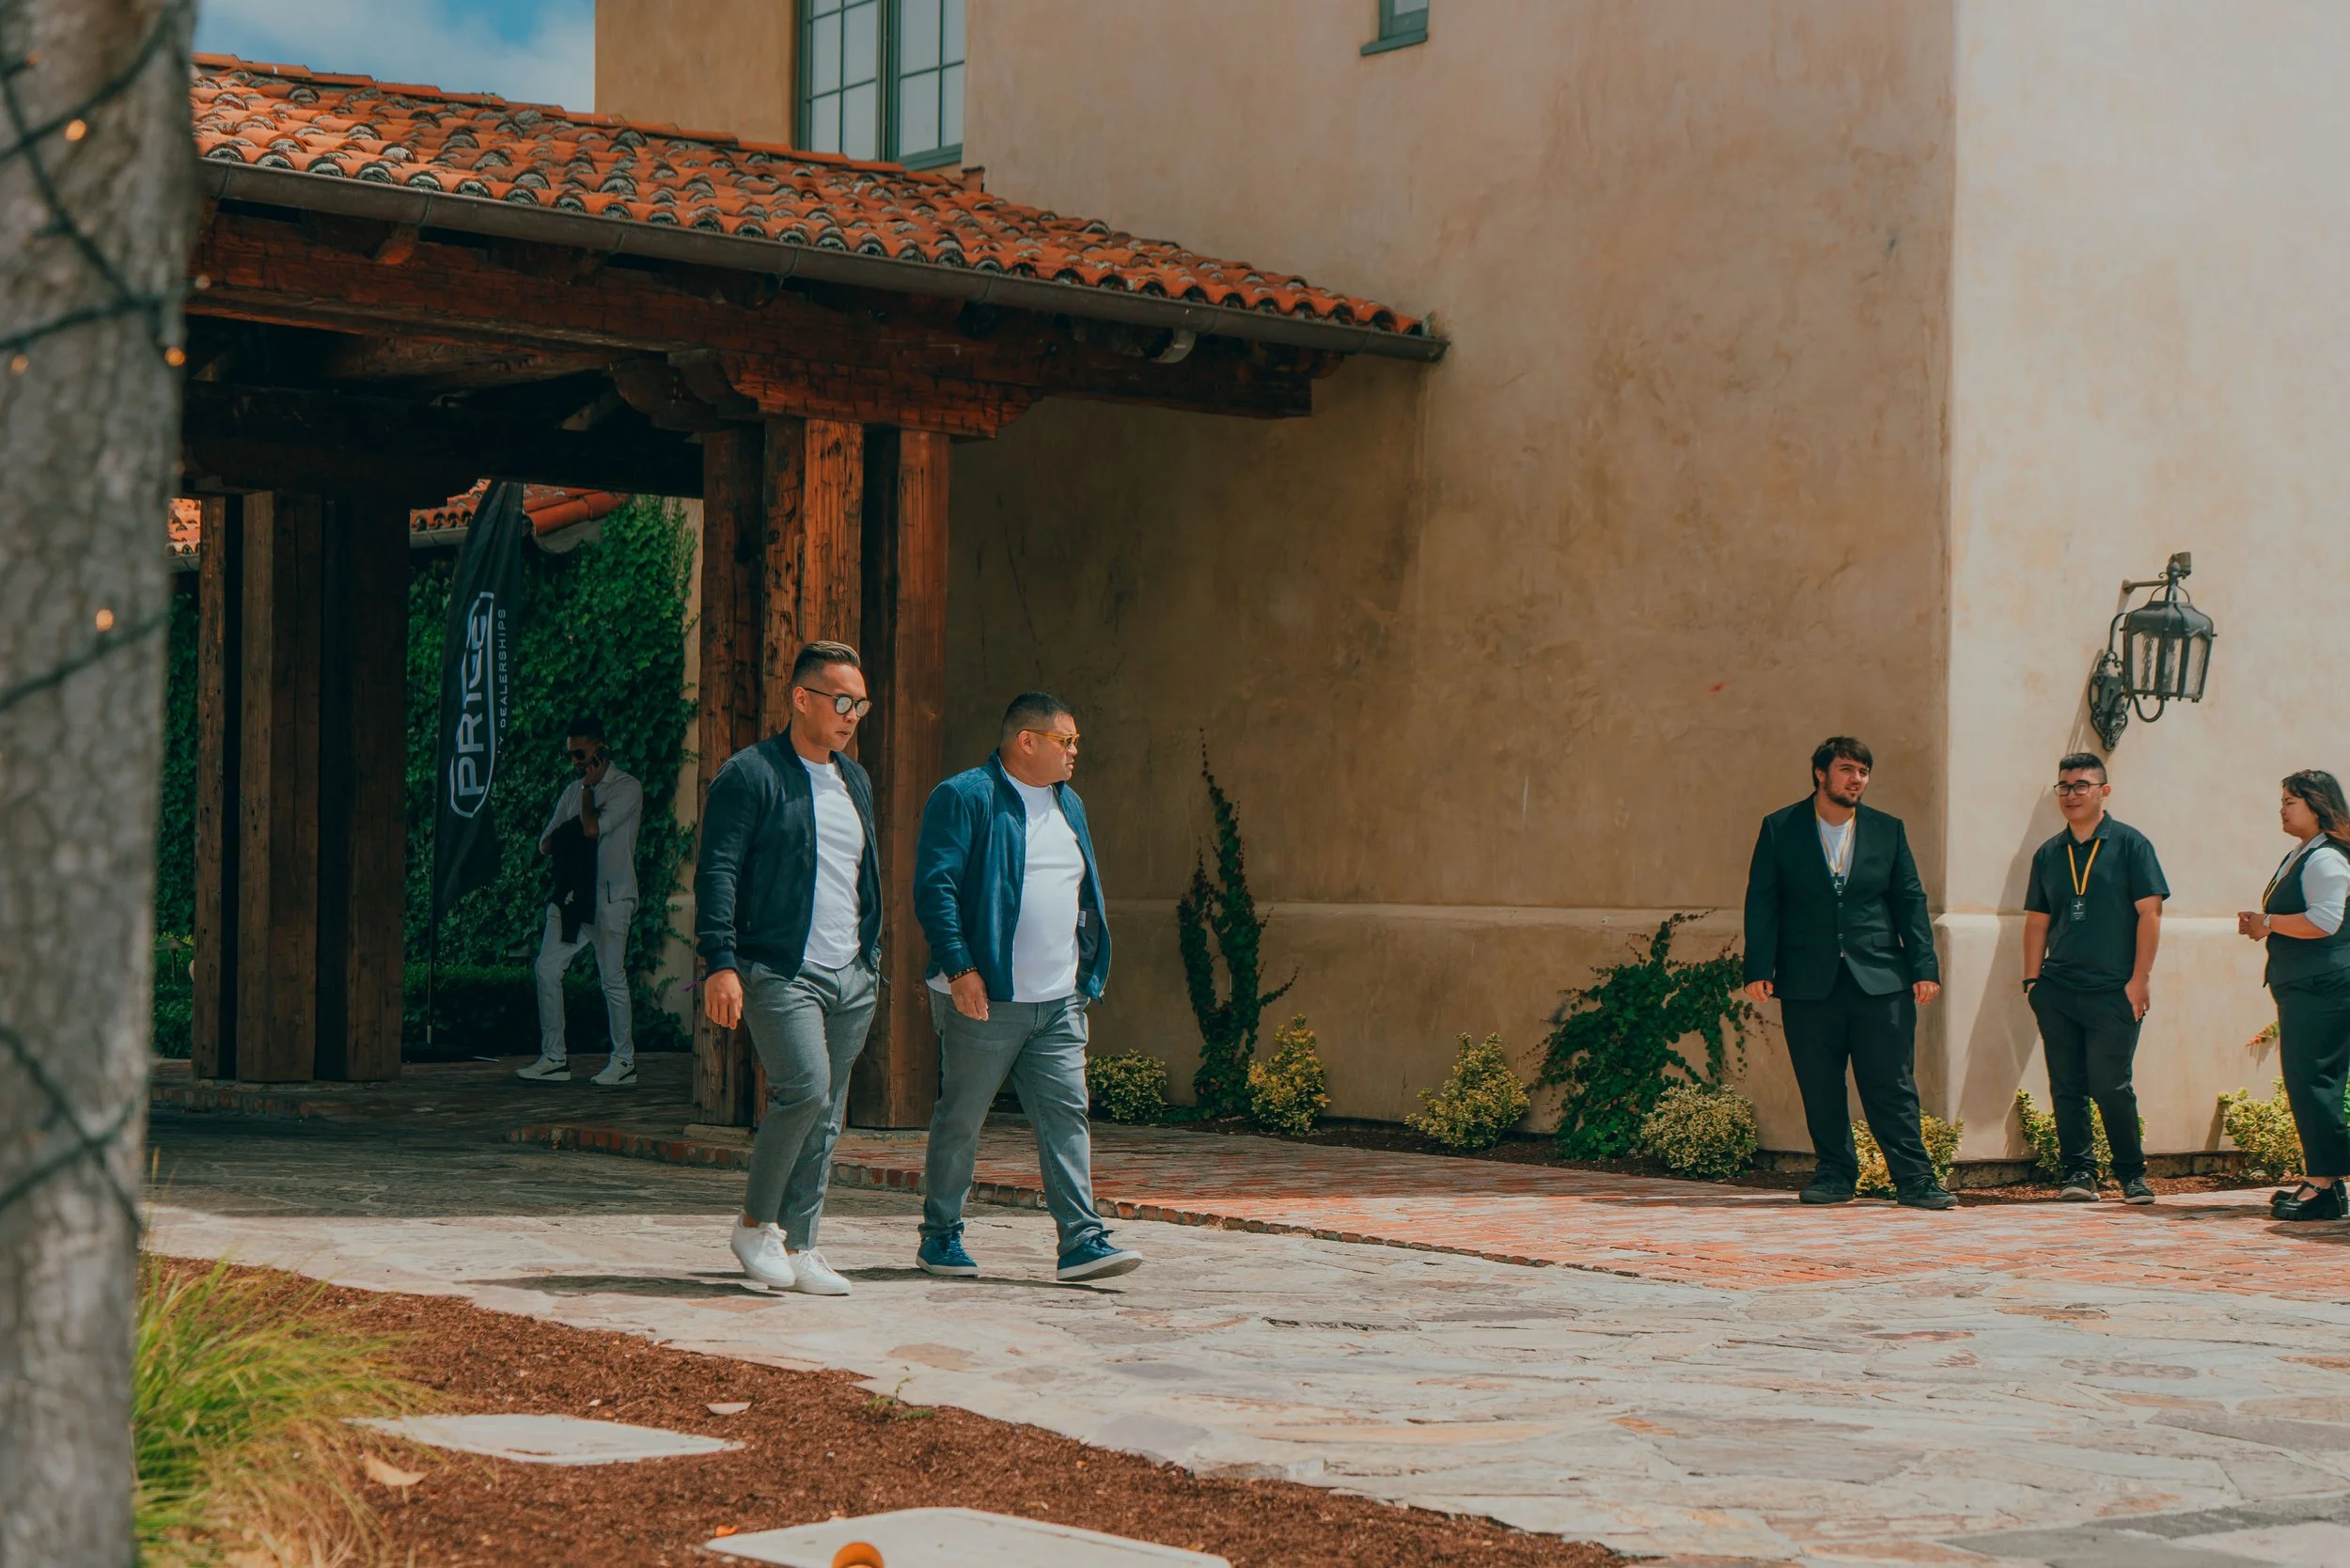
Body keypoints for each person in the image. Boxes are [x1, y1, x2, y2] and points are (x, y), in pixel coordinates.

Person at [912, 691, 1141, 1282]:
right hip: (986, 998)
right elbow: (934, 889)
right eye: (1066, 741)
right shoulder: (965, 797)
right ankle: (941, 1237)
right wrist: (960, 971)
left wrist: (1084, 974)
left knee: (1067, 1115)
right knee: (962, 1118)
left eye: (1076, 743)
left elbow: (1082, 893)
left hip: (1059, 1001)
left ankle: (1081, 1241)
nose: (1074, 753)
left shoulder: (1071, 805)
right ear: (1026, 741)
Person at [696, 641, 883, 1294]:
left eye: (860, 703)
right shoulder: (750, 775)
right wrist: (720, 961)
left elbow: (858, 876)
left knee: (828, 1110)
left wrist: (870, 958)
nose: (852, 714)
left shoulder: (854, 779)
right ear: (801, 698)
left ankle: (801, 1244)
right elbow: (717, 870)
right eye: (840, 700)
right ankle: (754, 1225)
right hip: (778, 967)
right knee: (804, 1087)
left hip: (852, 973)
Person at [1743, 736, 1955, 1210]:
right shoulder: (1781, 828)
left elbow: (1909, 900)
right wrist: (1759, 966)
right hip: (1807, 980)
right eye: (1846, 769)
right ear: (1821, 773)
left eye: (1863, 770)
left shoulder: (1887, 829)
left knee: (1892, 1083)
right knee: (1820, 1083)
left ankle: (1916, 1180)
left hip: (1881, 977)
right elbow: (1764, 900)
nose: (1856, 779)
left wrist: (1924, 966)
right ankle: (1836, 1175)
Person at [2021, 753, 2168, 1204]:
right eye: (2063, 786)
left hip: (2114, 989)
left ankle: (2131, 1175)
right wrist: (2032, 983)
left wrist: (2139, 979)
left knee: (2110, 1085)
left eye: (2081, 785)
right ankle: (2079, 1174)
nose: (2071, 794)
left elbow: (2151, 913)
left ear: (2104, 791)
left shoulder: (2130, 845)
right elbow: (2036, 922)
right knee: (2066, 1086)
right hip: (2058, 989)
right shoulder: (2049, 852)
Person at [2238, 770, 2350, 1222]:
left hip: (2323, 984)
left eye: (2291, 801)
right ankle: (2325, 1179)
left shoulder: (2326, 858)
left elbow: (2325, 921)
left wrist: (2267, 923)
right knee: (2310, 1080)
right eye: (2282, 800)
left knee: (2314, 1080)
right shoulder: (2305, 853)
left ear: (2317, 806)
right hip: (2308, 984)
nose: (2282, 808)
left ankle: (2323, 1186)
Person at [518, 717, 642, 1087]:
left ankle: (624, 1061)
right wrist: (576, 812)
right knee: (546, 969)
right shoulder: (572, 791)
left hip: (611, 896)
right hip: (573, 898)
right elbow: (546, 843)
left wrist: (588, 794)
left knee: (612, 978)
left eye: (580, 753)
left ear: (599, 749)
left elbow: (591, 829)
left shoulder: (627, 788)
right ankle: (554, 1057)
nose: (574, 761)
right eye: (570, 755)